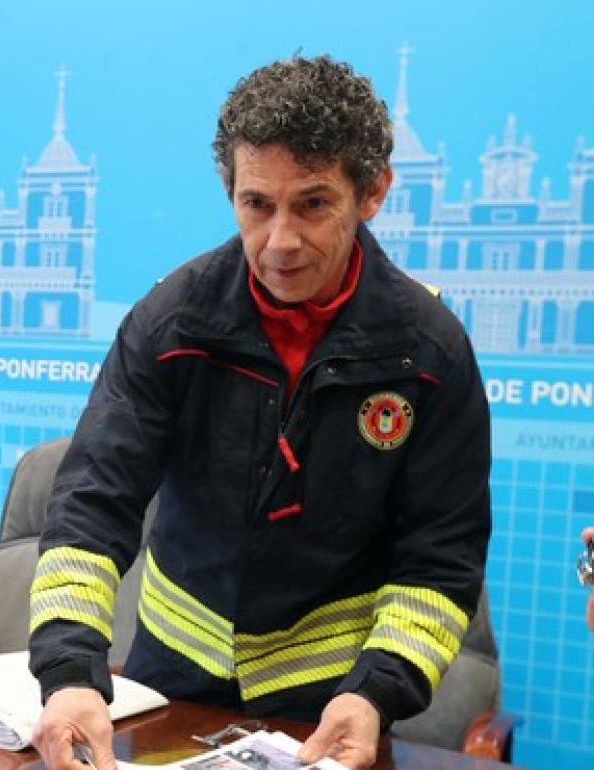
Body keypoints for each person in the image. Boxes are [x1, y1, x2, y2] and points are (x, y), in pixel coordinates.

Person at [28, 55, 491, 770]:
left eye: (312, 204)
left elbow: (439, 559)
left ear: (373, 193)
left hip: (336, 702)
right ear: (230, 192)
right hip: (170, 675)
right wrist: (67, 676)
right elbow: (92, 505)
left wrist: (375, 693)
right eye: (257, 204)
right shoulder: (171, 321)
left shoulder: (431, 351)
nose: (280, 242)